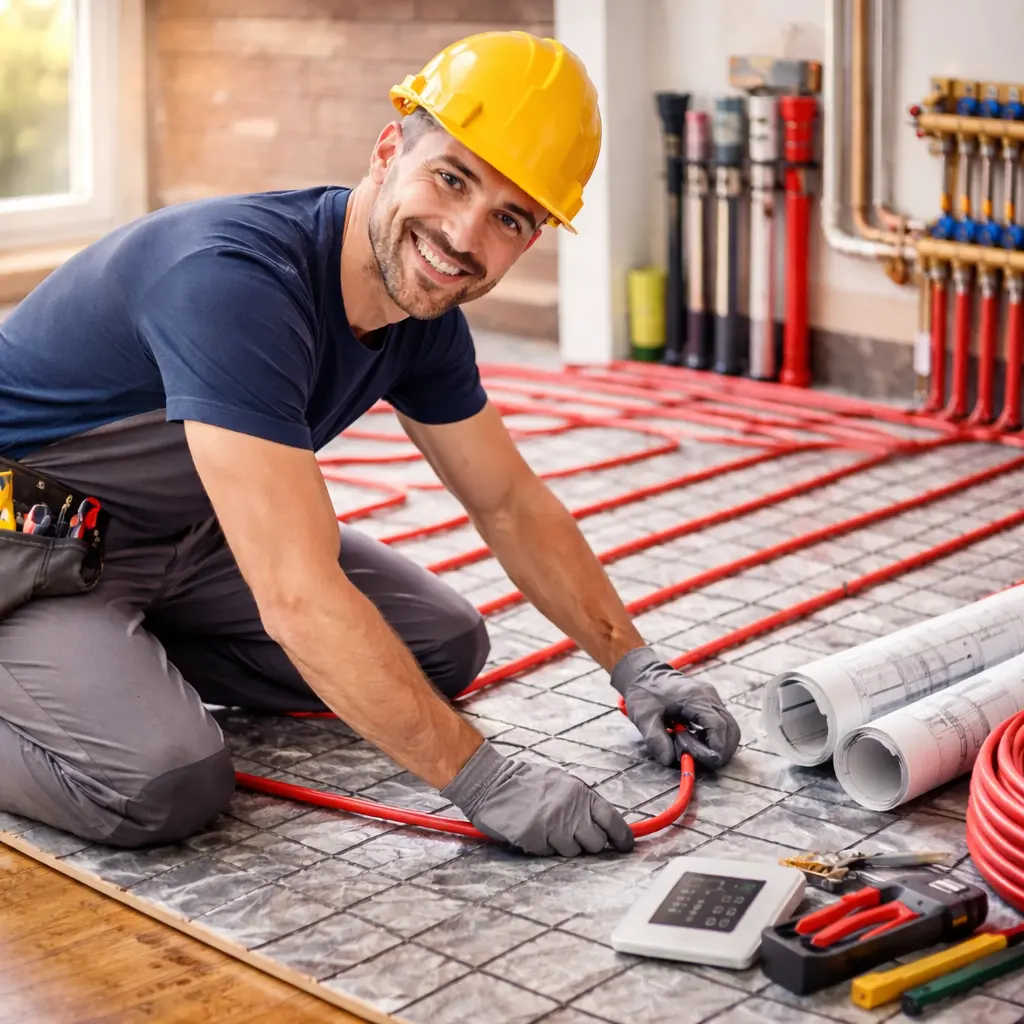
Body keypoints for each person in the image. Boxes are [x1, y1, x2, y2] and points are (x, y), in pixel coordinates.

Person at [0, 31, 739, 858]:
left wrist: (636, 667)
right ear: (390, 148)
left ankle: (107, 669)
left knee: (442, 645)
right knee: (159, 783)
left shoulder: (421, 318)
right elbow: (299, 594)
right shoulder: (234, 283)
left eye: (507, 218)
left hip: (182, 536)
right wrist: (481, 779)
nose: (463, 235)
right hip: (34, 556)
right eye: (452, 178)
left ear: (529, 241)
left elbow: (509, 503)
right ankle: (77, 677)